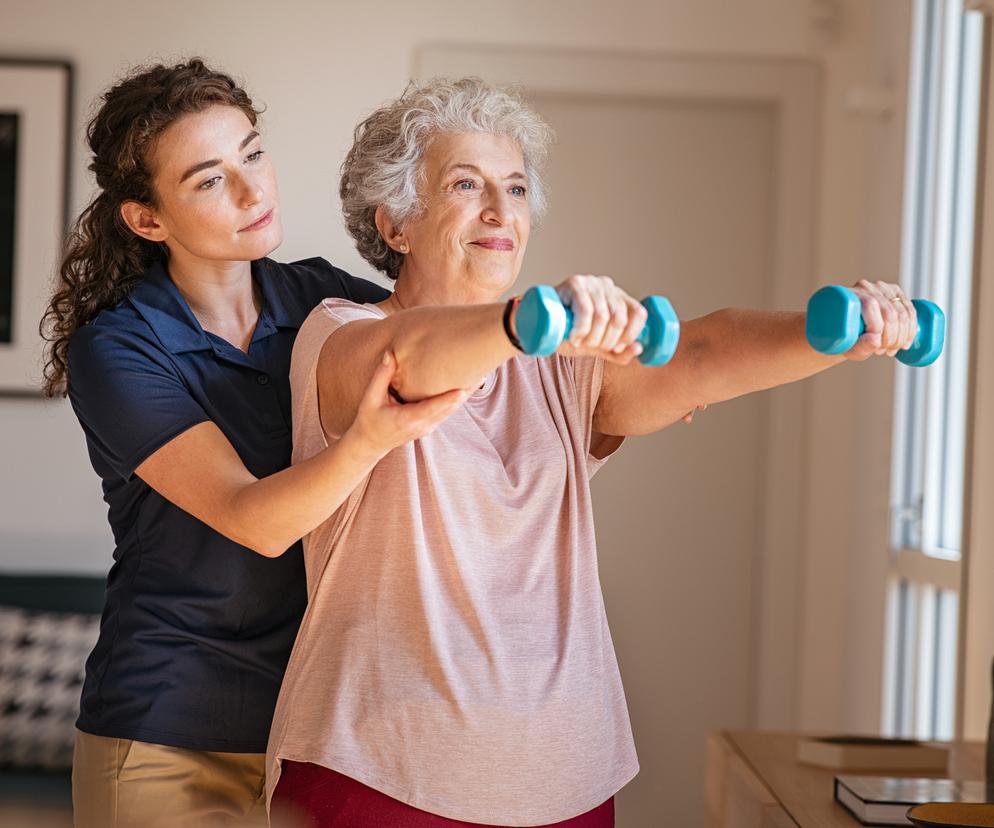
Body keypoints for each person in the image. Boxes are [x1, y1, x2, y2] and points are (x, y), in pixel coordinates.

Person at [266, 77, 919, 827]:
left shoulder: (559, 362)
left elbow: (701, 352)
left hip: (565, 781)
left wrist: (836, 333)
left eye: (514, 188)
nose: (499, 210)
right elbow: (409, 361)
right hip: (379, 772)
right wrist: (528, 322)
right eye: (465, 184)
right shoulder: (340, 332)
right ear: (396, 225)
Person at [40, 59, 465, 828]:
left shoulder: (321, 298)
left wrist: (590, 394)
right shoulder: (121, 349)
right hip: (168, 734)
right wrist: (368, 439)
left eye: (253, 154)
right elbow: (256, 520)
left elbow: (440, 351)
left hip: (312, 728)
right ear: (147, 219)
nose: (251, 190)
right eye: (208, 180)